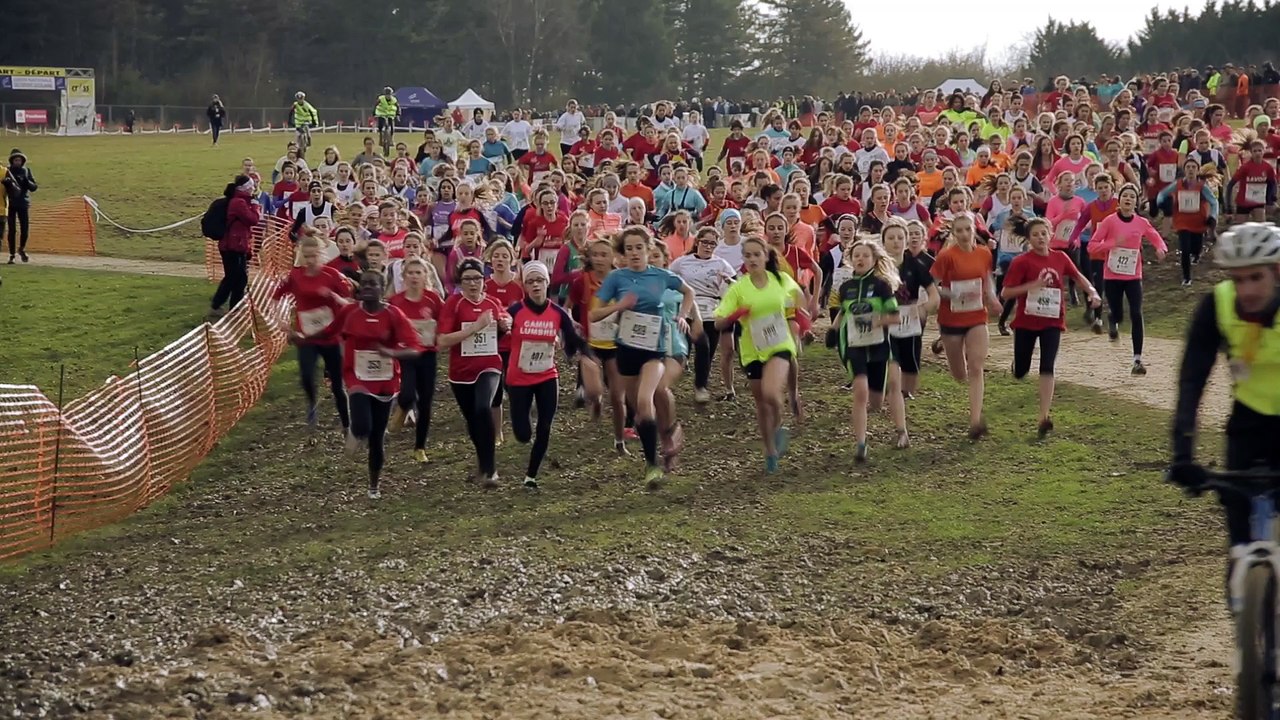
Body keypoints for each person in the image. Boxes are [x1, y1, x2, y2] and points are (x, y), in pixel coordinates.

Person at [1166, 222, 1280, 600]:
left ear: (1276, 273)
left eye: (1256, 278)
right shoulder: (1216, 305)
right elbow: (1191, 383)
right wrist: (1183, 452)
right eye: (1238, 278)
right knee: (1238, 533)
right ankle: (1246, 615)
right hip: (1247, 425)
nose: (1246, 290)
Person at [591, 226, 696, 488]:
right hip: (626, 350)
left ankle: (652, 465)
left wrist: (682, 315)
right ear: (622, 253)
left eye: (639, 248)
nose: (635, 253)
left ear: (649, 249)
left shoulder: (661, 276)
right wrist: (619, 306)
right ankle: (664, 439)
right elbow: (594, 315)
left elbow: (689, 292)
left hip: (654, 349)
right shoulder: (616, 278)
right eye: (629, 249)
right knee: (638, 411)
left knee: (645, 398)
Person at [1000, 217, 1102, 437]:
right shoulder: (1022, 262)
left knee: (1047, 366)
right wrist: (1032, 286)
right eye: (1035, 235)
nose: (1040, 238)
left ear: (1050, 235)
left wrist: (1092, 292)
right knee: (1021, 371)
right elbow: (1006, 293)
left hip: (1052, 320)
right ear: (1028, 238)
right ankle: (1017, 365)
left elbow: (1078, 276)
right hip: (1026, 322)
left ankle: (1044, 416)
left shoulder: (1060, 257)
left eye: (1043, 234)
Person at [715, 236, 803, 473]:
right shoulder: (738, 288)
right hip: (751, 350)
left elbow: (798, 296)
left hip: (779, 343)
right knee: (762, 403)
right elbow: (718, 322)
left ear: (766, 256)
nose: (753, 259)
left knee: (771, 392)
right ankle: (770, 450)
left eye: (757, 254)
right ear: (743, 259)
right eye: (748, 255)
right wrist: (736, 315)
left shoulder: (780, 279)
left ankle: (780, 424)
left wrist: (806, 310)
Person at [505, 261, 595, 489]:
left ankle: (531, 476)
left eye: (540, 281)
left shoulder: (557, 313)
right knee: (523, 434)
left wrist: (588, 353)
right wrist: (500, 326)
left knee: (545, 426)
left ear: (547, 283)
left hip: (547, 376)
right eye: (530, 281)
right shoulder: (515, 311)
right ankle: (524, 435)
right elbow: (499, 334)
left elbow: (573, 339)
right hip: (519, 378)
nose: (535, 285)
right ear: (525, 286)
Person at [334, 270, 423, 499]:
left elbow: (414, 349)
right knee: (363, 424)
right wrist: (303, 337)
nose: (367, 288)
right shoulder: (350, 312)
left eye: (373, 284)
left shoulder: (394, 315)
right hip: (357, 377)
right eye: (364, 284)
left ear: (382, 288)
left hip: (385, 382)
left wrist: (390, 351)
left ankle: (374, 485)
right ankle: (355, 430)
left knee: (377, 439)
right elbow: (331, 333)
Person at [437, 258, 511, 488]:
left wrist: (506, 324)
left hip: (489, 365)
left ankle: (491, 470)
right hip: (460, 372)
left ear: (484, 280)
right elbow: (442, 341)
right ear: (460, 281)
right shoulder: (454, 304)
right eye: (467, 279)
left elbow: (504, 322)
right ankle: (483, 461)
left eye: (477, 278)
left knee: (482, 408)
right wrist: (474, 328)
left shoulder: (493, 302)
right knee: (472, 419)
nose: (473, 283)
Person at [831, 239, 904, 461]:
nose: (860, 259)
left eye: (865, 255)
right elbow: (843, 313)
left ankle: (902, 431)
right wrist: (833, 330)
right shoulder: (845, 288)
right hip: (854, 347)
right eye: (856, 255)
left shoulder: (882, 286)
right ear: (850, 259)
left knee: (876, 401)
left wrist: (876, 321)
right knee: (859, 391)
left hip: (879, 346)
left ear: (874, 260)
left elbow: (896, 317)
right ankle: (861, 444)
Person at [931, 212, 1001, 438]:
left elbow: (987, 277)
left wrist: (991, 296)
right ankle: (944, 342)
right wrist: (950, 293)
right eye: (959, 230)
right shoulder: (946, 256)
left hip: (977, 316)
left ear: (974, 230)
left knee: (976, 367)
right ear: (953, 233)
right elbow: (930, 286)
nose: (963, 234)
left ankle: (975, 421)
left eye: (967, 229)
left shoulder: (984, 253)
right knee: (959, 374)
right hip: (951, 319)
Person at [273, 235, 354, 429]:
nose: (310, 261)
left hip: (331, 337)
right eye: (306, 256)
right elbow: (276, 296)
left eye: (314, 256)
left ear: (322, 255)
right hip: (306, 337)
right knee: (306, 376)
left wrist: (334, 296)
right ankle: (312, 404)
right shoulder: (295, 276)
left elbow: (349, 303)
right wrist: (280, 321)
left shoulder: (333, 275)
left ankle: (346, 423)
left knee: (337, 385)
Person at [1088, 183, 1168, 375]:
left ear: (1136, 202)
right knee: (1117, 312)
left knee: (1136, 312)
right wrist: (1112, 243)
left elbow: (1155, 237)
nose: (1128, 199)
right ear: (1119, 200)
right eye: (1125, 196)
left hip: (1133, 275)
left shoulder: (1141, 222)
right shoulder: (1109, 221)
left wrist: (1160, 249)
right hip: (1112, 275)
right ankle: (1112, 319)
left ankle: (1137, 360)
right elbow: (1092, 246)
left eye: (1132, 196)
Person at [670, 227, 737, 403]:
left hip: (711, 309)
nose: (708, 247)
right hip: (689, 307)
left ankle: (701, 386)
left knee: (706, 350)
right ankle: (666, 383)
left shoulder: (721, 263)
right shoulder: (682, 262)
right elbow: (669, 279)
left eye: (713, 244)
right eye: (705, 242)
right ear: (698, 241)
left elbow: (736, 285)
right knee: (683, 350)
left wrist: (728, 281)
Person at [388, 257, 444, 463]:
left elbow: (444, 321)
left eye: (418, 273)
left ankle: (420, 447)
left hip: (428, 354)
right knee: (408, 392)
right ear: (403, 276)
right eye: (410, 273)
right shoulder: (396, 301)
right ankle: (402, 408)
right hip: (406, 354)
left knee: (426, 401)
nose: (414, 276)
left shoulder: (433, 300)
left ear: (425, 276)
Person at [209, 175, 261, 318]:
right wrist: (256, 205)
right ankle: (222, 305)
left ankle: (232, 306)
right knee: (235, 277)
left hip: (237, 245)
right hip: (232, 246)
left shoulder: (240, 201)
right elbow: (253, 219)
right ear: (245, 188)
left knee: (237, 277)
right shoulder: (239, 203)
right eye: (251, 187)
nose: (253, 189)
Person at [5, 149, 36, 264]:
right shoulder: (7, 171)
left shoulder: (26, 171)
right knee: (12, 230)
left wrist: (27, 181)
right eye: (15, 160)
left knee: (25, 230)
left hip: (23, 203)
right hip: (11, 204)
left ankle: (21, 249)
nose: (17, 162)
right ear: (12, 161)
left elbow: (34, 187)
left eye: (19, 160)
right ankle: (12, 254)